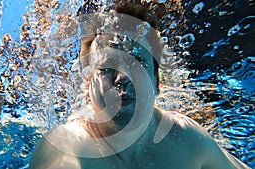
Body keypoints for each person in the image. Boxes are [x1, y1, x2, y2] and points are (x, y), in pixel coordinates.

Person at [30, 1, 250, 168]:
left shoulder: (186, 140)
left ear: (155, 83)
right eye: (107, 66)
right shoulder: (69, 144)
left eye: (137, 64)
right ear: (87, 86)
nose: (123, 77)